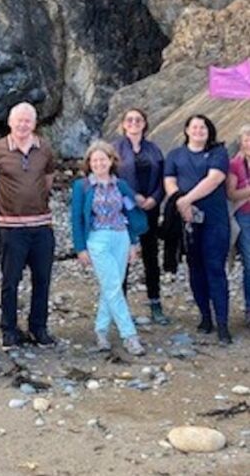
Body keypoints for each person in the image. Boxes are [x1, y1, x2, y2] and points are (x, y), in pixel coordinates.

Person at [0, 102, 56, 350]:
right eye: (19, 120)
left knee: (42, 279)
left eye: (28, 121)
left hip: (41, 225)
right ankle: (9, 330)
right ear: (10, 122)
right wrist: (5, 206)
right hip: (10, 227)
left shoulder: (45, 149)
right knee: (10, 281)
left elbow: (48, 181)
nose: (23, 125)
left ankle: (39, 328)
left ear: (34, 124)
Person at [71, 140, 147, 356]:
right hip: (97, 238)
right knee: (113, 286)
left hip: (121, 237)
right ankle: (129, 336)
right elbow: (76, 218)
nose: (98, 163)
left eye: (102, 159)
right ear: (89, 163)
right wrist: (80, 248)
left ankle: (101, 331)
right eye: (94, 160)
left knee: (111, 286)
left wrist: (133, 242)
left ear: (111, 160)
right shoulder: (82, 186)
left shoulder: (120, 185)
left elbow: (130, 213)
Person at [164, 115, 231, 344]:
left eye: (203, 127)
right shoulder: (175, 155)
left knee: (215, 268)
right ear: (186, 130)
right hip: (188, 221)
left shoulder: (218, 153)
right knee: (195, 268)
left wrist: (187, 200)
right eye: (194, 127)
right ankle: (205, 317)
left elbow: (213, 180)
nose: (198, 130)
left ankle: (222, 323)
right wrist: (179, 200)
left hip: (215, 220)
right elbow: (169, 181)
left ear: (209, 130)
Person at [113, 107, 169, 324]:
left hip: (150, 208)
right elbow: (110, 178)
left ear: (145, 124)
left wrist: (155, 198)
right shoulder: (115, 149)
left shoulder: (154, 149)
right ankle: (121, 307)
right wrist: (133, 196)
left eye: (138, 120)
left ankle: (155, 303)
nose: (134, 123)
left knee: (151, 255)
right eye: (130, 119)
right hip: (124, 209)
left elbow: (163, 177)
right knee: (123, 257)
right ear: (124, 124)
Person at [227, 124, 250, 327]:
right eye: (247, 139)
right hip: (245, 216)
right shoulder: (235, 165)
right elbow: (231, 193)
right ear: (241, 142)